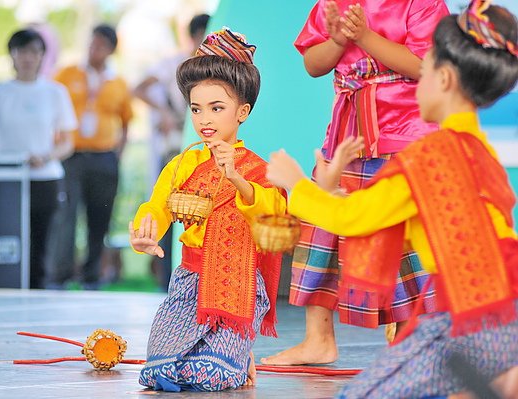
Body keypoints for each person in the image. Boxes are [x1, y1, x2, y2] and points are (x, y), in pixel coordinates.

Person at [266, 1, 518, 397]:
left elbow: (353, 219)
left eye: (427, 65)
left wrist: (298, 185)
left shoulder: (427, 157)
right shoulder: (480, 151)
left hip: (465, 322)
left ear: (446, 79)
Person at [261, 0, 450, 366]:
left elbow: (425, 66)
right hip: (347, 133)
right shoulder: (334, 3)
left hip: (406, 134)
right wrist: (336, 41)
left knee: (400, 239)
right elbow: (313, 65)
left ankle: (409, 334)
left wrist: (364, 36)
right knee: (320, 231)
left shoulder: (424, 3)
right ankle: (318, 340)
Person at [130, 28, 286, 392]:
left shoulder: (257, 169)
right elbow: (157, 205)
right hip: (189, 280)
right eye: (197, 108)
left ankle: (237, 352)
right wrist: (145, 232)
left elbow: (275, 216)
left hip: (238, 283)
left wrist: (236, 180)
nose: (205, 119)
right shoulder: (184, 164)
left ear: (242, 111)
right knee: (156, 373)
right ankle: (230, 356)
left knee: (209, 377)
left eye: (217, 108)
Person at [51, 24, 134, 290]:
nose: (93, 48)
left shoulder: (117, 82)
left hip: (104, 157)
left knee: (100, 217)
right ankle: (60, 274)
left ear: (110, 50)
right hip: (72, 155)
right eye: (92, 42)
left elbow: (126, 120)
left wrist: (118, 152)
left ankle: (92, 275)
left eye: (100, 45)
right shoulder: (67, 74)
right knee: (66, 214)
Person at [0, 29, 77, 289]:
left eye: (34, 52)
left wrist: (45, 156)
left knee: (41, 240)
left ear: (42, 56)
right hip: (7, 179)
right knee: (9, 240)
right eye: (22, 51)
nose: (28, 58)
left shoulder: (54, 92)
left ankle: (40, 288)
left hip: (45, 178)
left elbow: (67, 142)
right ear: (12, 55)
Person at [133, 13, 210, 291]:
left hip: (206, 151)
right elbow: (139, 88)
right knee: (169, 207)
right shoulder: (174, 64)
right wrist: (164, 112)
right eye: (201, 34)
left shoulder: (215, 69)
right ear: (193, 36)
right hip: (176, 148)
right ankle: (168, 280)